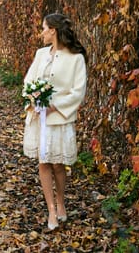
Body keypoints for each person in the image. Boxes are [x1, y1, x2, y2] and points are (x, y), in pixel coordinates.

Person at [23, 13, 87, 230]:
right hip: (38, 118)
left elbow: (77, 92)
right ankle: (51, 209)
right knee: (43, 163)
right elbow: (28, 81)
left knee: (58, 164)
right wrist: (33, 98)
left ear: (53, 30)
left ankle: (61, 202)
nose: (41, 32)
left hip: (59, 119)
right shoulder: (41, 54)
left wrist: (54, 104)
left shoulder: (76, 58)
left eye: (44, 28)